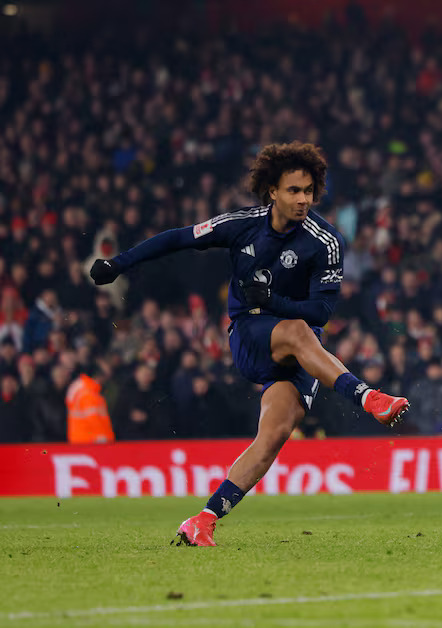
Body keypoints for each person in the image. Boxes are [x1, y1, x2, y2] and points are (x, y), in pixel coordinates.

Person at [89, 142, 409, 547]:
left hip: (302, 348)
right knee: (295, 331)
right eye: (294, 190)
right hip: (251, 334)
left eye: (309, 190)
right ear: (272, 190)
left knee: (272, 437)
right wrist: (119, 264)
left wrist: (272, 300)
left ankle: (203, 519)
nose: (303, 199)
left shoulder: (324, 241)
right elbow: (178, 239)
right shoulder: (242, 225)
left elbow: (322, 312)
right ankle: (369, 398)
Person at [65, 362, 115, 444]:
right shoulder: (88, 393)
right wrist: (102, 436)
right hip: (91, 440)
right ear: (98, 376)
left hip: (81, 439)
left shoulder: (80, 387)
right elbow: (93, 418)